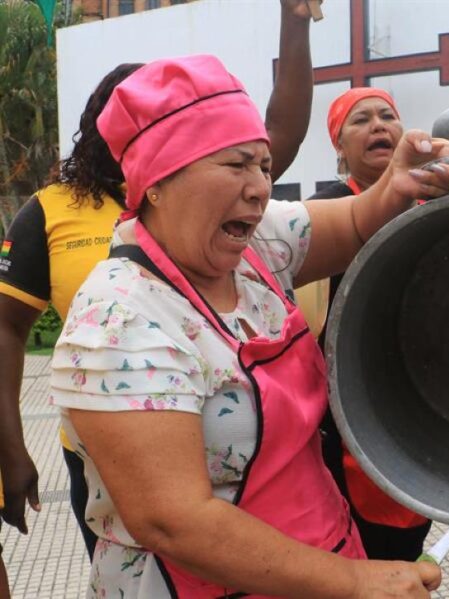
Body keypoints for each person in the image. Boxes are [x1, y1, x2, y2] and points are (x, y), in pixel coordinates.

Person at [48, 53, 449, 598]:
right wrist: (357, 582)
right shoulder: (118, 319)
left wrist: (400, 181)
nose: (259, 188)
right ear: (157, 179)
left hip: (324, 556)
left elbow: (357, 219)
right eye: (236, 164)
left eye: (264, 167)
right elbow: (175, 521)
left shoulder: (256, 248)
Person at [0, 2, 319, 577]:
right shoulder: (48, 212)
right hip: (115, 448)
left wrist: (294, 23)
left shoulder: (217, 194)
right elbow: (5, 329)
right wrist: (11, 445)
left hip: (250, 449)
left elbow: (277, 137)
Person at [307, 87, 433, 561]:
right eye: (360, 120)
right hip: (349, 403)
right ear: (339, 146)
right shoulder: (328, 210)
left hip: (418, 389)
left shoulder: (432, 201)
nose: (379, 125)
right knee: (361, 541)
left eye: (387, 115)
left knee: (412, 520)